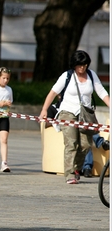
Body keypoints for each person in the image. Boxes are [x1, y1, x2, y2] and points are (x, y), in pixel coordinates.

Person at [39, 50, 110, 184]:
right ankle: (69, 174)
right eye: (79, 65)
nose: (82, 68)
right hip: (67, 112)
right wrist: (44, 110)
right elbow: (53, 92)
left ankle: (76, 168)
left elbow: (102, 93)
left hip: (86, 114)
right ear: (74, 65)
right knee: (71, 143)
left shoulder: (91, 75)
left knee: (85, 144)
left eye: (85, 65)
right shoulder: (67, 76)